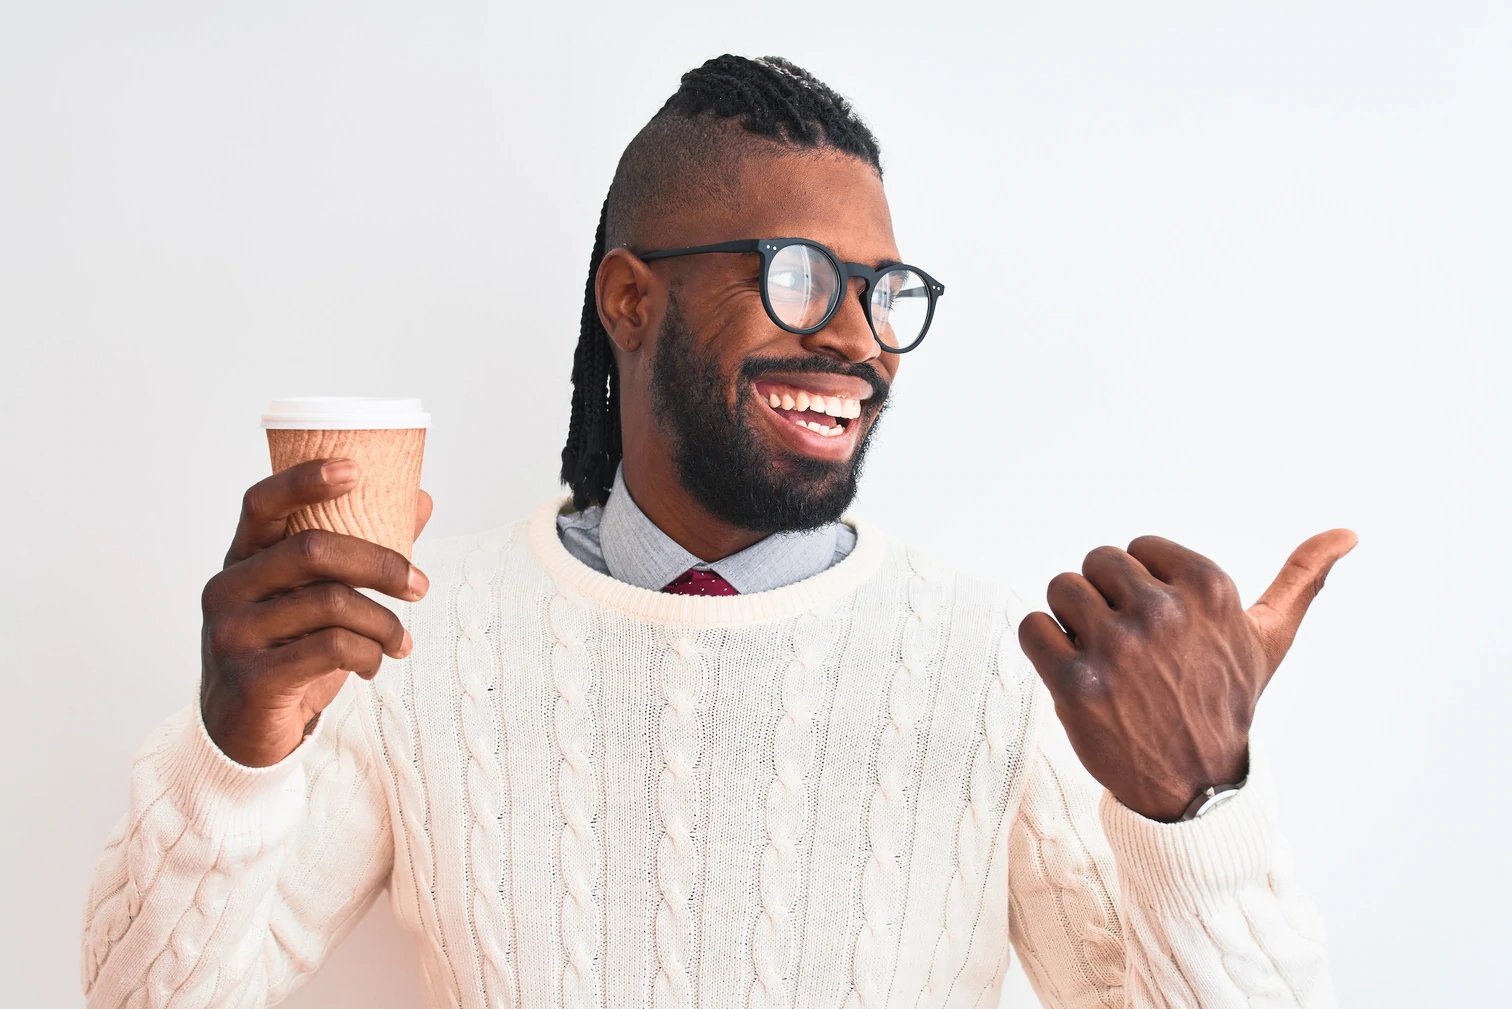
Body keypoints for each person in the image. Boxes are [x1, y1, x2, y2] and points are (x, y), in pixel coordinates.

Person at [80, 54, 1353, 1008]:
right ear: (632, 298)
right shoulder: (424, 645)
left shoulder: (1003, 670)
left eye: (886, 296)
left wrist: (1195, 808)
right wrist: (232, 753)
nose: (858, 340)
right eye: (801, 276)